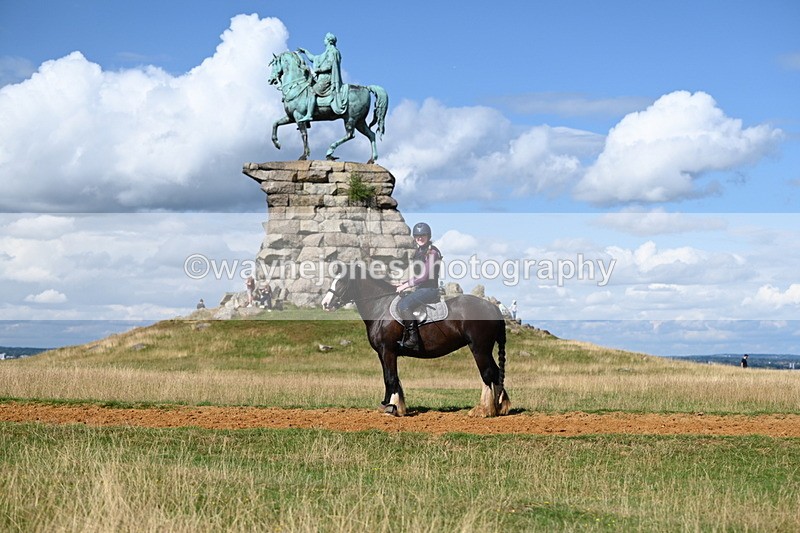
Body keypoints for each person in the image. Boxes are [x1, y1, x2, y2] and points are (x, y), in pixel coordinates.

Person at [395, 222, 443, 351]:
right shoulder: (419, 251)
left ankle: (413, 339)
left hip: (430, 290)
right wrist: (404, 283)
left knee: (403, 305)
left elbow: (425, 276)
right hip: (421, 289)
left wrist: (406, 285)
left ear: (428, 236)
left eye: (423, 235)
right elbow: (418, 275)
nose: (420, 238)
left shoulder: (432, 252)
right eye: (417, 236)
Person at [297, 32, 346, 122]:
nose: (323, 40)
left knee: (311, 91)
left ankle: (309, 115)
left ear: (328, 40)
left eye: (325, 39)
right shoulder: (326, 52)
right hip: (322, 78)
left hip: (327, 79)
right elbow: (314, 58)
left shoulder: (333, 51)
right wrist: (305, 52)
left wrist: (319, 70)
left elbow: (330, 65)